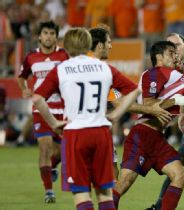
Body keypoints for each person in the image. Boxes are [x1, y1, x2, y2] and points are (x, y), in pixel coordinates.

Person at [32, 27, 141, 210]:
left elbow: (37, 98)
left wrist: (53, 123)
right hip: (101, 132)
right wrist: (115, 115)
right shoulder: (104, 67)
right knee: (105, 194)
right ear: (89, 44)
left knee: (82, 194)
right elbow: (135, 90)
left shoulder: (62, 69)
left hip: (75, 133)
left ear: (65, 46)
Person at [112, 41, 184, 210]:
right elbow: (149, 103)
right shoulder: (154, 73)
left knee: (179, 174)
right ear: (159, 57)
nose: (175, 56)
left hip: (157, 138)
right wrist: (176, 101)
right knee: (124, 182)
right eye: (171, 52)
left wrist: (181, 110)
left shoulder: (172, 75)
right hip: (141, 135)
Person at [88, 27, 171, 180]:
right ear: (99, 45)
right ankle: (108, 202)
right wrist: (151, 110)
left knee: (85, 179)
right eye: (108, 42)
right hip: (97, 127)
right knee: (111, 175)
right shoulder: (104, 70)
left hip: (74, 129)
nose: (111, 46)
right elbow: (128, 96)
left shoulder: (73, 65)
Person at [17, 20, 69, 203]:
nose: (49, 36)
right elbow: (21, 76)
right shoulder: (31, 57)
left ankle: (52, 166)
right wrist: (24, 88)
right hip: (41, 109)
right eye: (45, 33)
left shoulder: (64, 55)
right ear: (39, 36)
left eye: (52, 33)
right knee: (45, 146)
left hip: (63, 109)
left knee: (64, 152)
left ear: (56, 36)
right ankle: (49, 191)